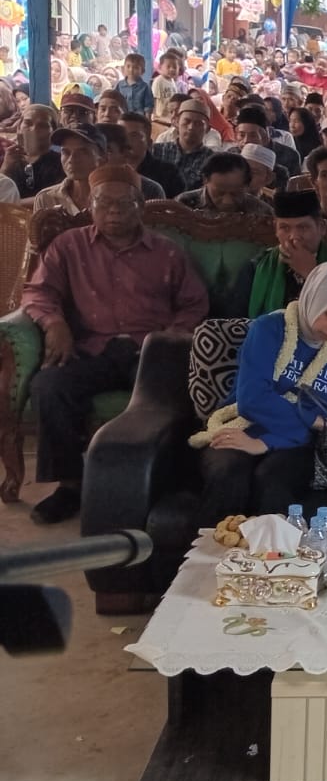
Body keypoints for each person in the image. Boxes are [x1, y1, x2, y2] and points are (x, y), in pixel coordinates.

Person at [20, 169, 209, 523]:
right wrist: (54, 323)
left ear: (141, 207)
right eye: (104, 202)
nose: (114, 211)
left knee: (174, 391)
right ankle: (70, 486)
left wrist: (171, 338)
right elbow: (38, 292)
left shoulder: (167, 252)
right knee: (49, 385)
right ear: (90, 206)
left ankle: (168, 485)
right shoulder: (68, 246)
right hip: (91, 347)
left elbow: (194, 303)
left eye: (125, 203)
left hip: (150, 349)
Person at [192, 262, 327, 524]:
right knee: (228, 471)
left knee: (274, 480)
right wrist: (309, 418)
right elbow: (252, 399)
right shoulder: (269, 329)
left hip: (298, 444)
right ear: (313, 298)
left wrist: (266, 443)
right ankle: (215, 549)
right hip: (241, 425)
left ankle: (275, 551)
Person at [226, 190, 327, 318]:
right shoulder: (256, 267)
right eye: (285, 228)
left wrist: (311, 272)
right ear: (276, 230)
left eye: (303, 227)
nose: (294, 237)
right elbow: (236, 320)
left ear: (321, 228)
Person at [176, 151, 274, 217]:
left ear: (247, 185)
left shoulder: (262, 212)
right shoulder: (183, 204)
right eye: (219, 193)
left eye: (235, 194)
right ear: (205, 180)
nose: (227, 202)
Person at [154, 99, 221, 193]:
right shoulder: (157, 150)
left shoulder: (212, 161)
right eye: (187, 121)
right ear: (176, 122)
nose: (191, 127)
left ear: (207, 129)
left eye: (198, 124)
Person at [1, 103, 64, 197]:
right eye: (28, 123)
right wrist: (5, 167)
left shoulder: (61, 162)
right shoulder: (8, 158)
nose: (34, 129)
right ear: (19, 128)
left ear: (54, 131)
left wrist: (15, 203)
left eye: (42, 125)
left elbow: (53, 196)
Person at [120, 112, 185, 199]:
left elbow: (178, 205)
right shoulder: (107, 169)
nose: (126, 141)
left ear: (149, 143)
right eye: (121, 135)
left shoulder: (169, 173)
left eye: (134, 136)